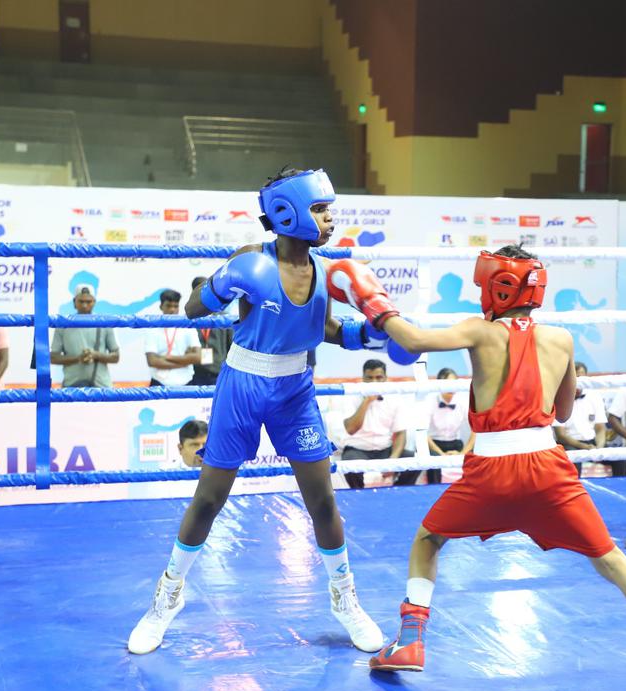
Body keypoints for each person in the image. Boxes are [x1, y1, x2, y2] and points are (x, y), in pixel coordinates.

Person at [328, 246, 626, 691]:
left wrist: (372, 300)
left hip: (491, 469)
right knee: (610, 559)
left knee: (428, 540)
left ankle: (411, 642)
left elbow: (413, 341)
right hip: (547, 469)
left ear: (496, 286)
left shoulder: (480, 331)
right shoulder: (561, 340)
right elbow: (565, 412)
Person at [127, 167, 384, 656]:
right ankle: (166, 598)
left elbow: (325, 328)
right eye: (320, 208)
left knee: (323, 503)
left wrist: (366, 334)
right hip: (242, 385)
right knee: (209, 499)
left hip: (295, 389)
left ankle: (345, 600)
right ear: (288, 213)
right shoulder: (251, 261)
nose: (330, 218)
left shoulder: (327, 273)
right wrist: (224, 282)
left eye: (330, 208)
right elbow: (192, 311)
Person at [338, 358, 410, 488]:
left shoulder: (395, 396)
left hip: (385, 448)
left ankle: (397, 493)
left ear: (385, 378)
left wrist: (393, 460)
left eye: (378, 377)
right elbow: (351, 429)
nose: (374, 382)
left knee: (411, 460)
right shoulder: (352, 394)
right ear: (363, 378)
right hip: (358, 448)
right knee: (349, 463)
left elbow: (400, 433)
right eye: (369, 378)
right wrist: (367, 401)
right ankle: (358, 496)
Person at [50, 284, 119, 387]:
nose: (84, 305)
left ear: (94, 302)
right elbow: (53, 357)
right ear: (74, 302)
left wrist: (96, 355)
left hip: (101, 386)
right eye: (81, 301)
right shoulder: (63, 325)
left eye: (88, 301)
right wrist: (78, 358)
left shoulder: (104, 323)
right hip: (72, 385)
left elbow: (116, 356)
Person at [552, 362, 609, 475]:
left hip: (592, 442)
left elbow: (600, 427)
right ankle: (574, 490)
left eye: (581, 377)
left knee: (619, 459)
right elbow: (561, 435)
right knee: (573, 459)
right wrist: (584, 447)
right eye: (576, 376)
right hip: (571, 443)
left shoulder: (594, 396)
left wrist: (599, 447)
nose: (578, 380)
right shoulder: (558, 397)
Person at [423, 367, 470, 484]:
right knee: (432, 460)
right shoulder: (429, 401)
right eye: (447, 383)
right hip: (434, 445)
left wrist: (463, 453)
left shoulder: (463, 401)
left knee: (477, 454)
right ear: (439, 384)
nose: (451, 387)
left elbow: (476, 429)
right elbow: (423, 433)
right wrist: (441, 454)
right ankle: (433, 493)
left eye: (453, 383)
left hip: (456, 443)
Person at [144, 289, 201, 387]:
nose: (172, 310)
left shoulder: (188, 327)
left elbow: (198, 357)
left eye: (175, 306)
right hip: (159, 384)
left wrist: (165, 357)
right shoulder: (152, 329)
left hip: (186, 383)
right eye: (168, 306)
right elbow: (152, 361)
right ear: (161, 306)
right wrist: (184, 362)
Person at [189, 276, 233, 386]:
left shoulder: (223, 318)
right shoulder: (189, 318)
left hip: (219, 369)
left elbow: (231, 345)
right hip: (196, 371)